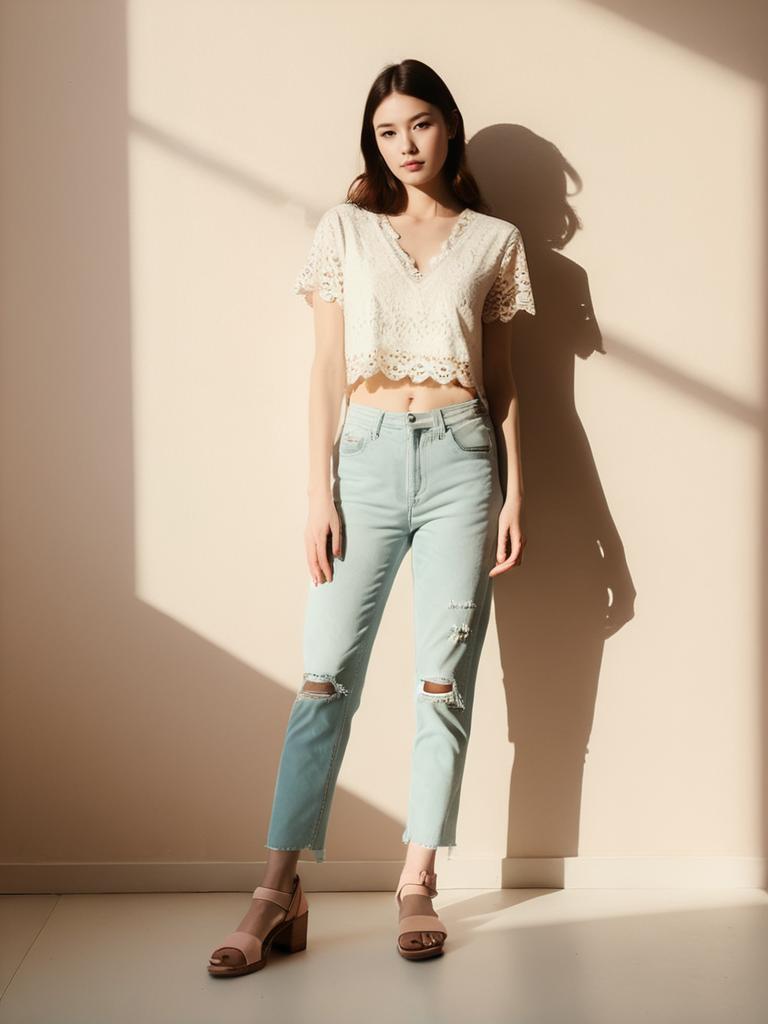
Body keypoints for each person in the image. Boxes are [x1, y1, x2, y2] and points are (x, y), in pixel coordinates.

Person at [208, 57, 536, 977]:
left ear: (448, 128)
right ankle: (277, 890)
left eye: (421, 125)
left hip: (464, 463)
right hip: (369, 459)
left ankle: (417, 879)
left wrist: (518, 490)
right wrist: (319, 492)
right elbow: (323, 371)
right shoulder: (346, 231)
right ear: (374, 140)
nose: (407, 146)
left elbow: (505, 381)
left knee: (444, 683)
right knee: (324, 678)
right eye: (389, 131)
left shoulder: (494, 241)